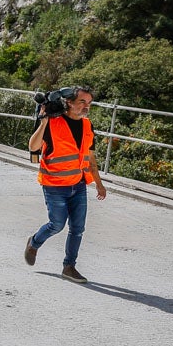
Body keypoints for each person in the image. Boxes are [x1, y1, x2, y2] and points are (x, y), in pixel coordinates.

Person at [25, 86, 107, 282]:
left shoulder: (88, 125)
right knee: (57, 224)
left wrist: (99, 183)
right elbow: (33, 147)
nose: (86, 106)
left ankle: (69, 267)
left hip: (78, 184)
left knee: (78, 228)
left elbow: (90, 157)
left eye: (89, 103)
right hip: (54, 184)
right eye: (82, 102)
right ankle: (34, 242)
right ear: (69, 102)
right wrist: (43, 122)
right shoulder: (53, 122)